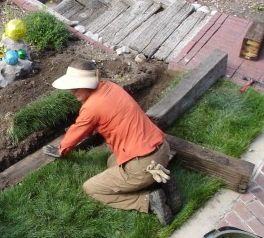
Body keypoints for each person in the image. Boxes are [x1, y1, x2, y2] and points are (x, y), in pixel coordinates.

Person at [43, 60, 182, 226]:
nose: (72, 91)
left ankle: (148, 200)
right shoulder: (110, 86)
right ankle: (160, 179)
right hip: (162, 150)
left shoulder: (91, 108)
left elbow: (77, 131)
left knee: (92, 188)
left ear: (87, 85)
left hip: (142, 164)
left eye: (76, 87)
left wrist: (61, 150)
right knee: (112, 162)